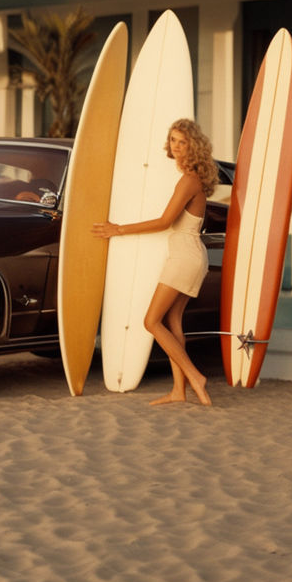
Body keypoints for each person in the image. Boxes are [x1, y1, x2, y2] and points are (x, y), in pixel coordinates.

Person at [92, 119, 218, 407]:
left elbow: (164, 221)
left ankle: (194, 376)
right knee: (172, 321)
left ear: (193, 146)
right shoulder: (192, 178)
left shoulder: (189, 180)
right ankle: (179, 391)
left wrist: (118, 229)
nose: (175, 146)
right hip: (191, 256)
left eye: (182, 141)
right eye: (172, 140)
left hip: (185, 257)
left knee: (151, 321)